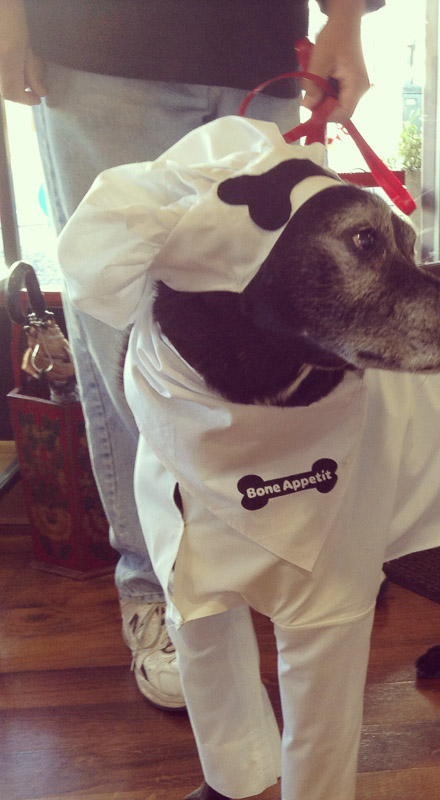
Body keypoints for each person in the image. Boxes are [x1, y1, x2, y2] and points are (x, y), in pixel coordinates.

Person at [0, 0, 383, 711]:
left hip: (260, 44)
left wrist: (348, 14)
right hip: (101, 44)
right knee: (120, 328)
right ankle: (155, 583)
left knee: (273, 312)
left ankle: (263, 550)